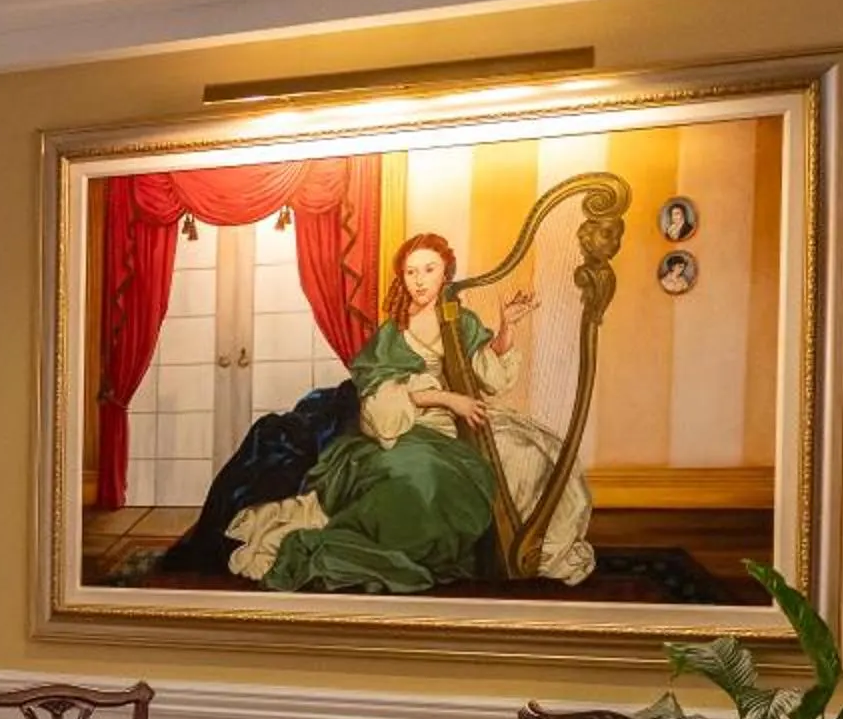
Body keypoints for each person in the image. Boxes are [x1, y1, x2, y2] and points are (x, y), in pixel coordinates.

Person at [225, 232, 595, 592]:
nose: (419, 280)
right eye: (411, 272)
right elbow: (379, 407)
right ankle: (388, 550)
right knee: (420, 476)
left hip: (459, 423)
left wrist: (507, 328)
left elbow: (490, 377)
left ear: (446, 272)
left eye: (429, 269)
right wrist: (446, 399)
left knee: (532, 456)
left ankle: (516, 552)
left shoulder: (459, 321)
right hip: (403, 426)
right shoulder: (393, 334)